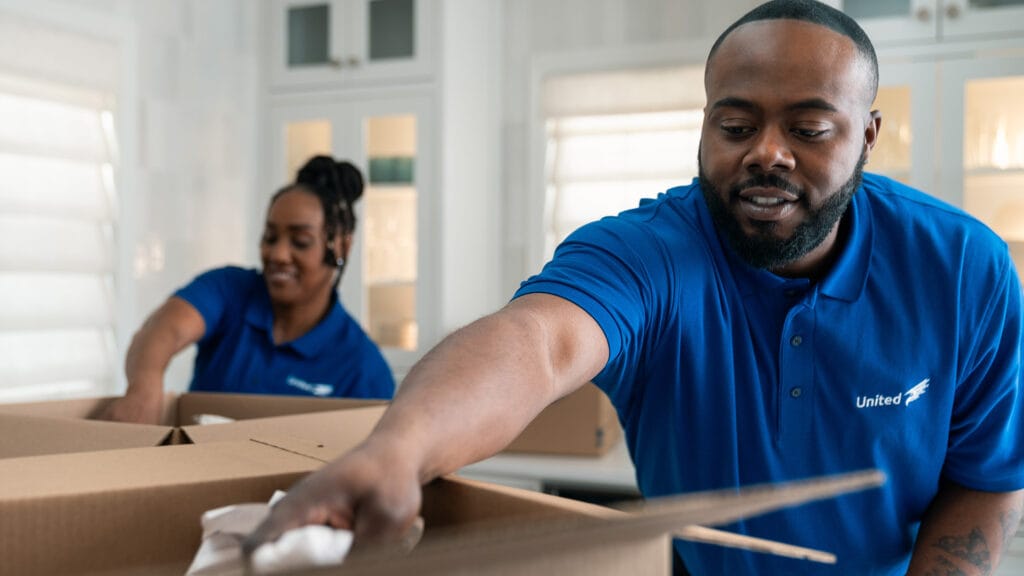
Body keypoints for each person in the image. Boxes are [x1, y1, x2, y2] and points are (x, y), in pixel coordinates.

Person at [245, 2, 1024, 574]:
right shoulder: (650, 252)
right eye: (736, 124)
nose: (768, 154)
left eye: (809, 129)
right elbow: (539, 342)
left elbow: (986, 481)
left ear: (868, 137)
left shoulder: (964, 271)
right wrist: (398, 451)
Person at [102, 156, 395, 424]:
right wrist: (144, 388)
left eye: (300, 241)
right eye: (270, 237)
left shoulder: (362, 368)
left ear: (341, 245)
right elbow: (163, 331)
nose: (278, 254)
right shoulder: (230, 290)